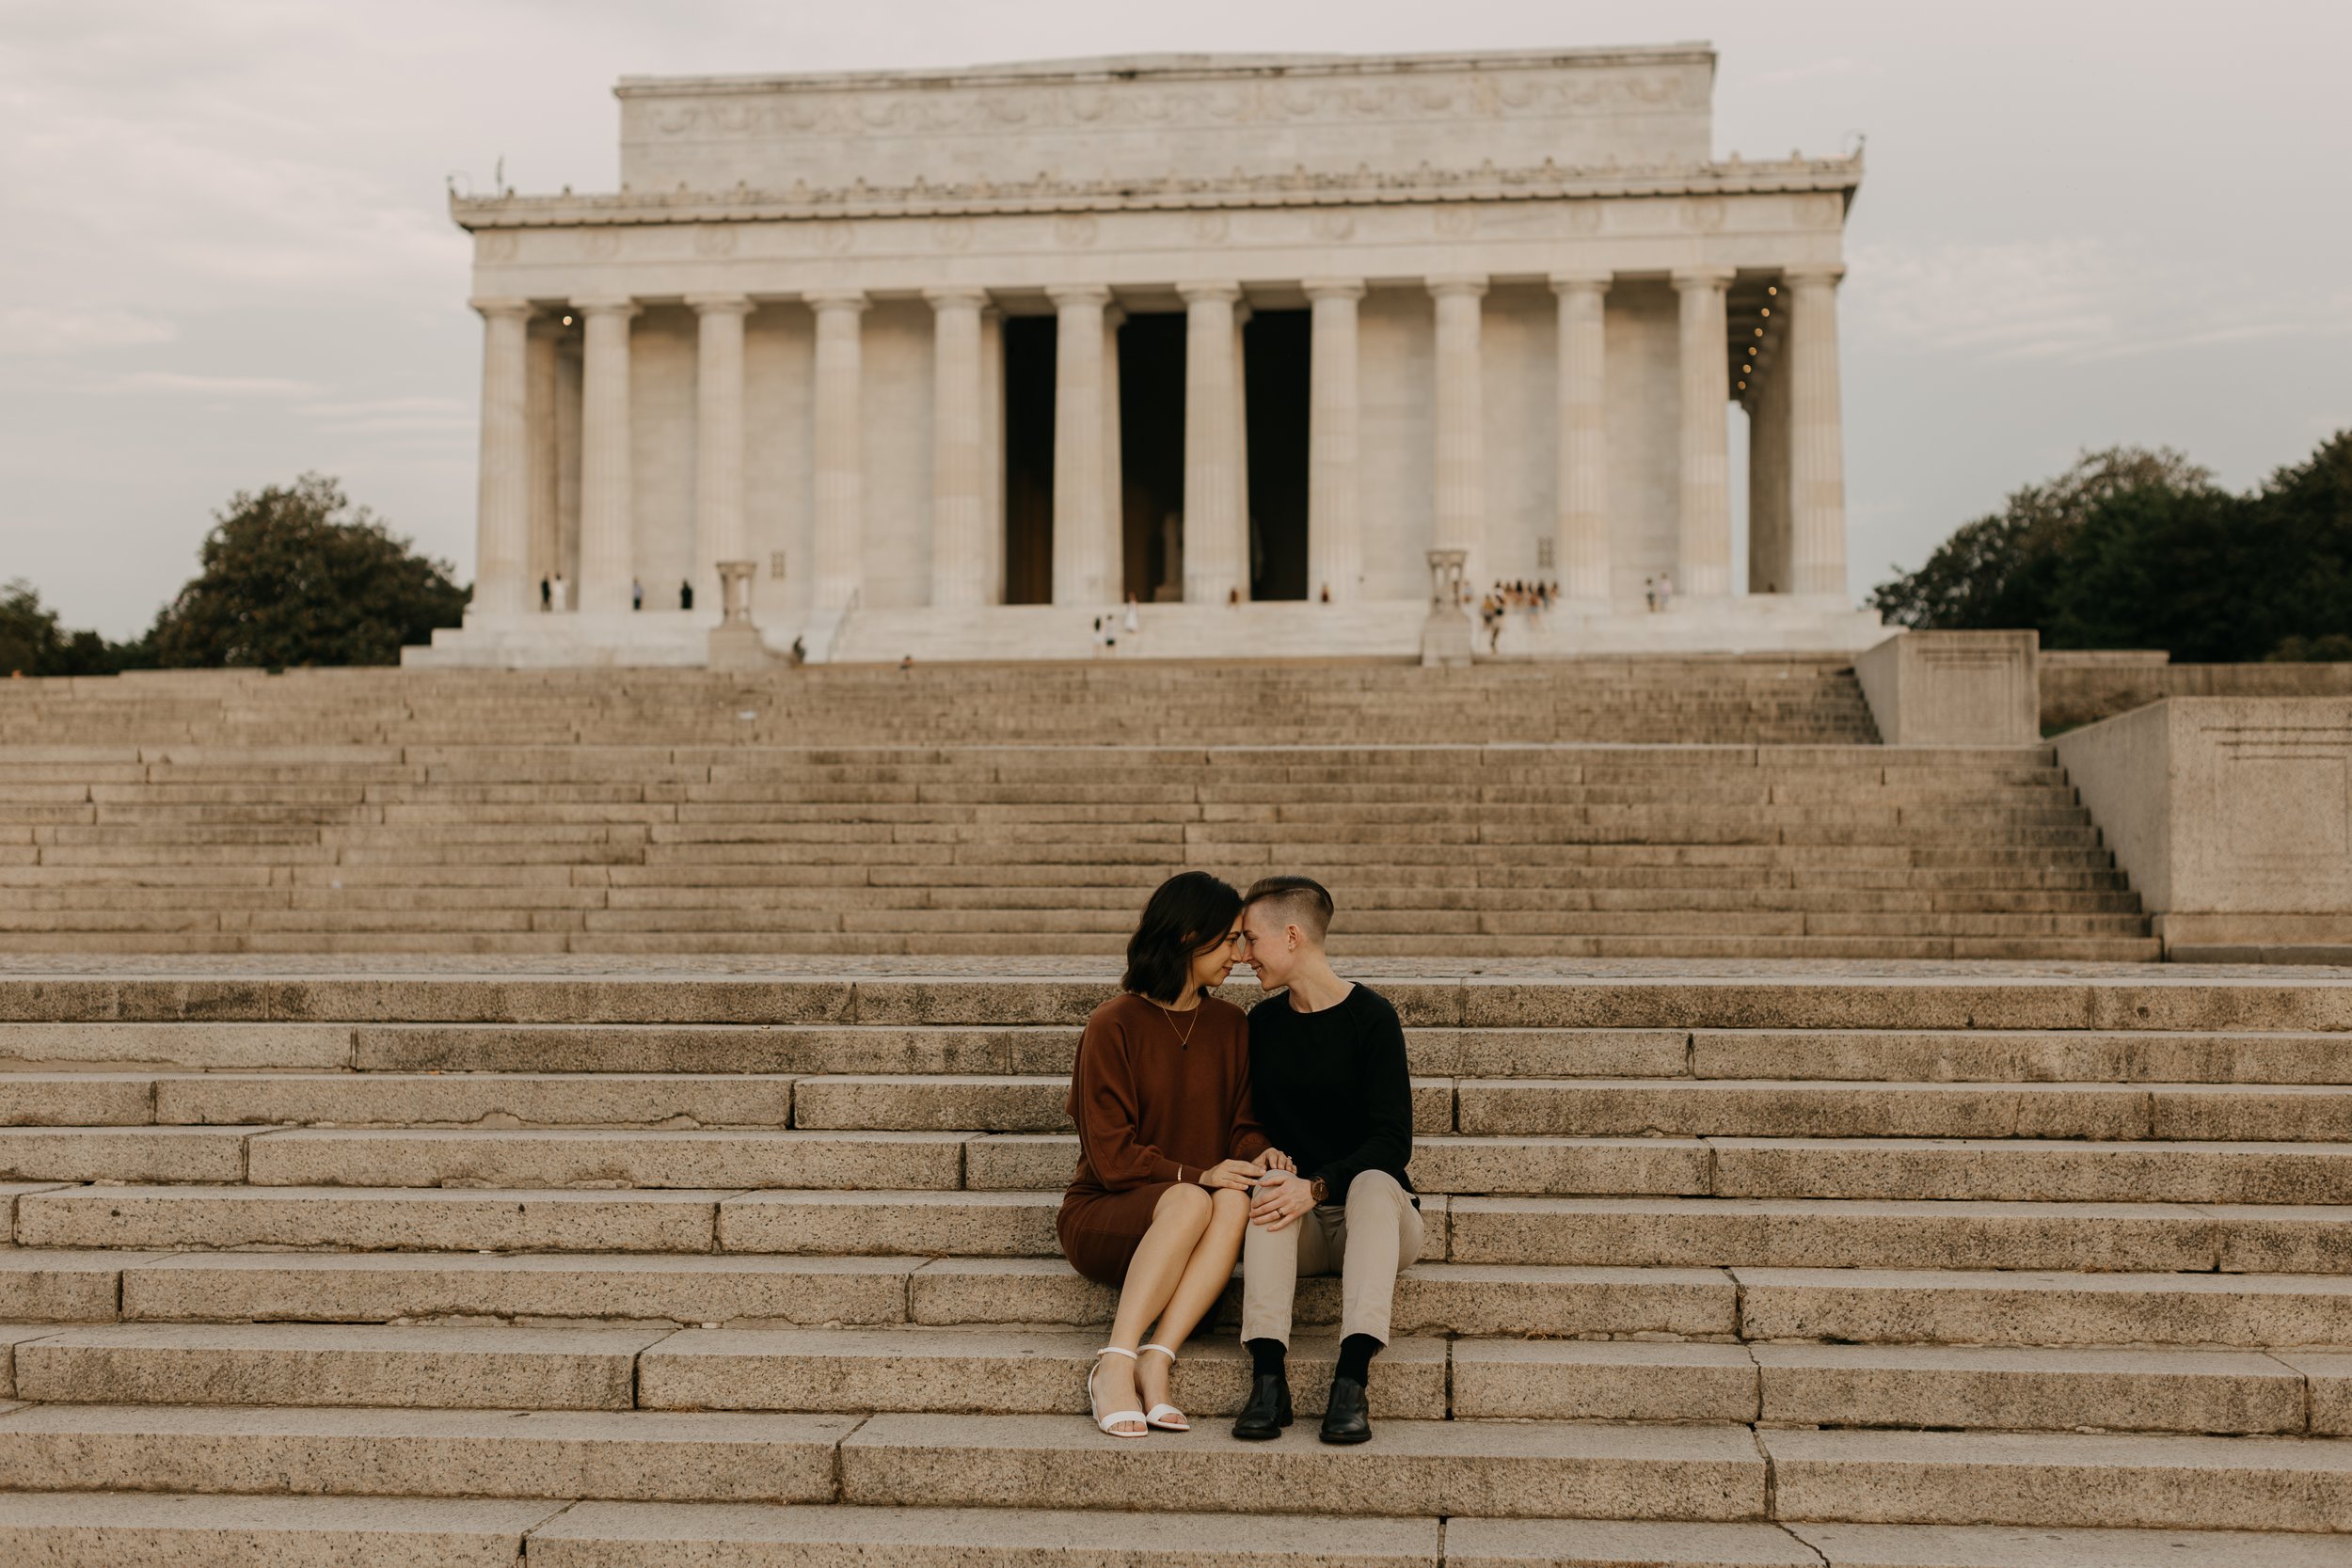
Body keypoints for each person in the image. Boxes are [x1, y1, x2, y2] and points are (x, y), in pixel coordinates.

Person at [1058, 871, 1292, 1439]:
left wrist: (1262, 1156)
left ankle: (1156, 1360)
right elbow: (1112, 1160)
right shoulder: (1112, 1024)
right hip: (1108, 1212)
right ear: (1189, 936)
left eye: (1243, 940)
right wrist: (1197, 1174)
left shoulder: (1230, 1024)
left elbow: (1243, 1125)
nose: (1240, 954)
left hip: (1194, 1212)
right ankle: (1114, 1364)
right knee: (1194, 1198)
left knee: (1233, 1202)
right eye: (1229, 939)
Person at [1230, 875, 1419, 1446]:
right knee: (1269, 1186)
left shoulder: (1373, 1018)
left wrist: (1317, 1185)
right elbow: (1245, 1122)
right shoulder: (1259, 1026)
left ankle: (1351, 1382)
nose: (1242, 957)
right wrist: (1262, 1154)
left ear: (1292, 936)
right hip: (1304, 1229)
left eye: (1250, 940)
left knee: (1372, 1181)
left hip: (1379, 1220)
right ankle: (1268, 1382)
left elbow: (1393, 1139)